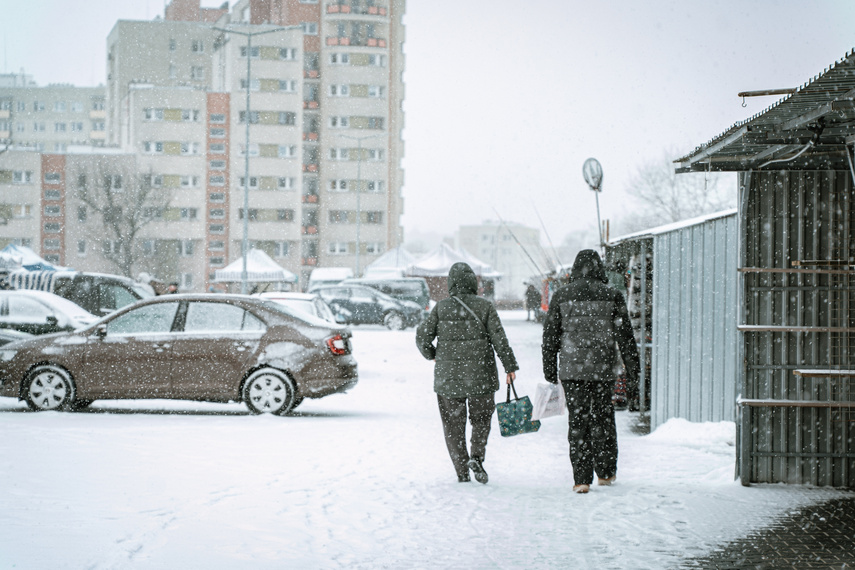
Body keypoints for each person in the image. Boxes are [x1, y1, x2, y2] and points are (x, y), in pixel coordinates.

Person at [541, 250, 639, 494]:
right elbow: (625, 338)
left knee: (578, 423)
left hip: (572, 373)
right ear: (599, 268)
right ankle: (605, 473)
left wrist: (550, 370)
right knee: (603, 419)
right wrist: (632, 372)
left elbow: (550, 336)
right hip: (603, 370)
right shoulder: (612, 295)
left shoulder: (562, 296)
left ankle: (581, 479)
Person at [416, 262, 519, 484]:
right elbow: (500, 339)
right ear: (473, 282)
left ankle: (462, 471)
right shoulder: (485, 307)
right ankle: (477, 457)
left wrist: (432, 354)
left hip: (448, 378)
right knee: (481, 420)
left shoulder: (441, 308)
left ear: (451, 283)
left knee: (453, 426)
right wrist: (509, 366)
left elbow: (422, 337)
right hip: (481, 375)